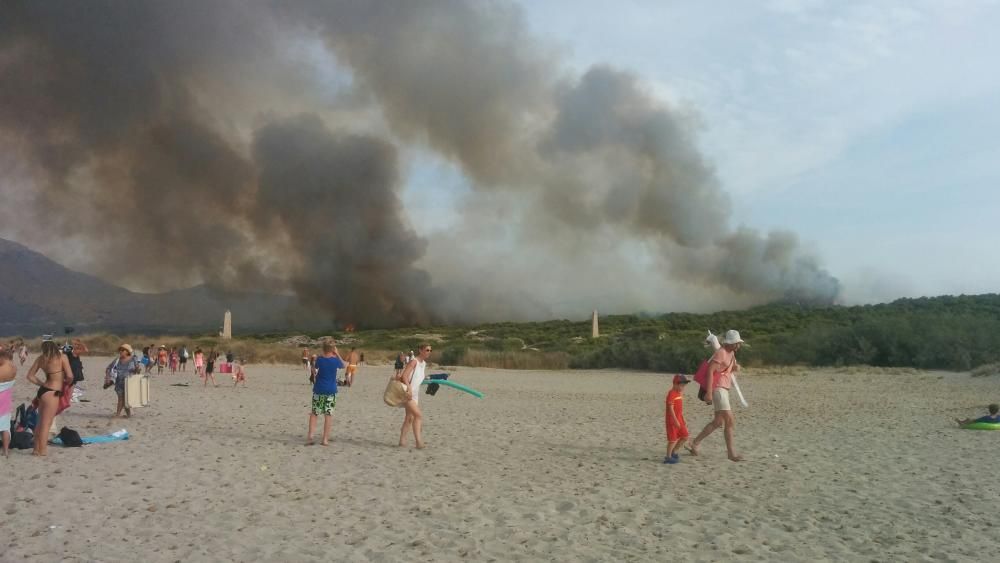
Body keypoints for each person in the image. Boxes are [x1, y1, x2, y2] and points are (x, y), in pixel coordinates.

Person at [688, 330, 745, 462]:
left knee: (718, 422)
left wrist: (734, 368)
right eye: (736, 343)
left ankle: (693, 443)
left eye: (738, 343)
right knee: (730, 420)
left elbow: (725, 370)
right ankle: (731, 454)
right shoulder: (721, 352)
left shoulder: (731, 354)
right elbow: (710, 371)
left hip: (724, 388)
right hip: (718, 389)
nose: (738, 346)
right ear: (730, 343)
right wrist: (708, 392)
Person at [25, 340, 73, 456]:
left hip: (43, 391)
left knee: (40, 422)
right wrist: (67, 382)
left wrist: (41, 384)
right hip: (53, 392)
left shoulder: (41, 359)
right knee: (47, 423)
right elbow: (70, 376)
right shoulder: (62, 357)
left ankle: (36, 449)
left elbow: (30, 376)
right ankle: (42, 450)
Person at [307, 341, 345, 446]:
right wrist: (337, 353)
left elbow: (314, 370)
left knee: (314, 413)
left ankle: (311, 435)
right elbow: (344, 365)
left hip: (319, 389)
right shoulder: (335, 360)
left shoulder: (320, 359)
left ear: (323, 349)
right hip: (331, 391)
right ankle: (324, 439)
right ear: (333, 349)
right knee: (328, 415)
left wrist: (315, 360)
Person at [397, 344, 432, 449]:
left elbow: (419, 378)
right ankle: (419, 442)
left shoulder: (424, 363)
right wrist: (409, 389)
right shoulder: (414, 361)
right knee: (418, 415)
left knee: (410, 418)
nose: (429, 352)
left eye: (430, 350)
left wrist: (431, 380)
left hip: (415, 394)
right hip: (407, 393)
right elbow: (404, 376)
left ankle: (402, 441)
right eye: (427, 350)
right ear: (420, 350)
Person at [106, 344, 141, 419]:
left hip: (129, 382)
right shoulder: (117, 359)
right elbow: (108, 368)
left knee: (126, 400)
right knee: (121, 399)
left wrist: (137, 369)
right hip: (119, 382)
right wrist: (108, 378)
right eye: (120, 350)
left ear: (127, 351)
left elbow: (137, 371)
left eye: (123, 350)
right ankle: (120, 415)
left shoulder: (133, 359)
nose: (121, 352)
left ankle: (124, 414)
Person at [664, 374, 691, 464]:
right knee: (672, 439)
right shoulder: (671, 393)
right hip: (672, 421)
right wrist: (675, 420)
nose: (683, 387)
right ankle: (668, 457)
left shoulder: (679, 393)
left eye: (684, 386)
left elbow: (679, 409)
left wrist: (682, 419)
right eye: (681, 385)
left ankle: (674, 452)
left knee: (685, 436)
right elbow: (671, 408)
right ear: (675, 384)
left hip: (679, 419)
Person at [0, 346, 17, 457]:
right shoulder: (13, 368)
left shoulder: (1, 368)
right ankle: (5, 450)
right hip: (5, 401)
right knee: (5, 427)